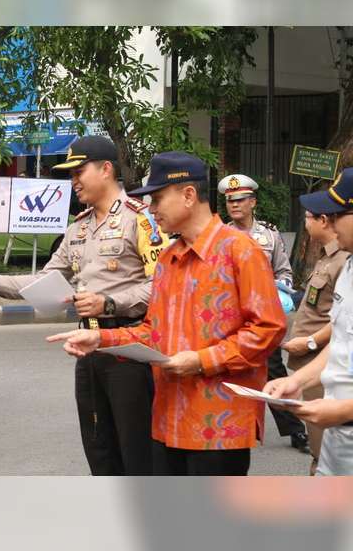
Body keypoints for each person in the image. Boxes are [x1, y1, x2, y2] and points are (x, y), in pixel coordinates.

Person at [49, 152, 287, 476]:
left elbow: (269, 328)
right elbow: (153, 333)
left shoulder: (240, 251)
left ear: (188, 195)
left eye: (157, 199)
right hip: (167, 421)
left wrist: (203, 360)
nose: (151, 209)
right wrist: (100, 338)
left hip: (217, 426)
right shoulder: (168, 260)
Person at [0, 136, 169, 475]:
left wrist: (110, 302)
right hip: (88, 350)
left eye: (78, 171)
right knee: (98, 446)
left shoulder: (141, 220)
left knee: (137, 450)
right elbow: (45, 280)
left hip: (130, 350)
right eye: (69, 173)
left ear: (106, 170)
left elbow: (161, 286)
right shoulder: (78, 228)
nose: (73, 180)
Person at [265, 168, 353, 475]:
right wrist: (297, 381)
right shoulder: (349, 267)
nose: (328, 221)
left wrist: (343, 410)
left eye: (335, 214)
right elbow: (342, 341)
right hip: (338, 436)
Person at [218, 173, 308, 453]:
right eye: (229, 200)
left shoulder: (268, 235)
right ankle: (226, 428)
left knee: (274, 371)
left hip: (260, 318)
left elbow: (284, 271)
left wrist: (279, 293)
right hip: (229, 318)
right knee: (226, 371)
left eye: (240, 200)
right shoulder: (220, 235)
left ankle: (296, 431)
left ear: (253, 202)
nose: (234, 205)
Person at [278, 205, 349, 473]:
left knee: (323, 450)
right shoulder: (331, 259)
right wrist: (296, 379)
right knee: (323, 454)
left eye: (308, 217)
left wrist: (310, 342)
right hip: (316, 363)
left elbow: (339, 324)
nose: (306, 223)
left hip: (326, 366)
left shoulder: (342, 261)